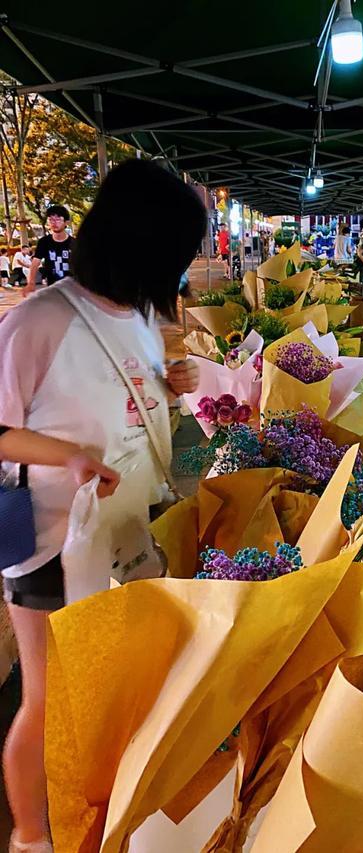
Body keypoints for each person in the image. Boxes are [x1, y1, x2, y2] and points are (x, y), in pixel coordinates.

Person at [0, 158, 206, 853]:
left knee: (106, 693)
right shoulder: (37, 322)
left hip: (124, 534)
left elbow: (129, 404)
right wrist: (69, 458)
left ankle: (91, 813)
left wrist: (173, 386)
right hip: (51, 545)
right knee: (47, 700)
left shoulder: (140, 315)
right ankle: (30, 837)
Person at [24, 206, 74, 297]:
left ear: (66, 222)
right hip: (52, 287)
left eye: (58, 220)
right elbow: (35, 263)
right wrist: (31, 283)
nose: (54, 223)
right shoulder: (44, 242)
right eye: (51, 220)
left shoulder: (75, 243)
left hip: (72, 289)